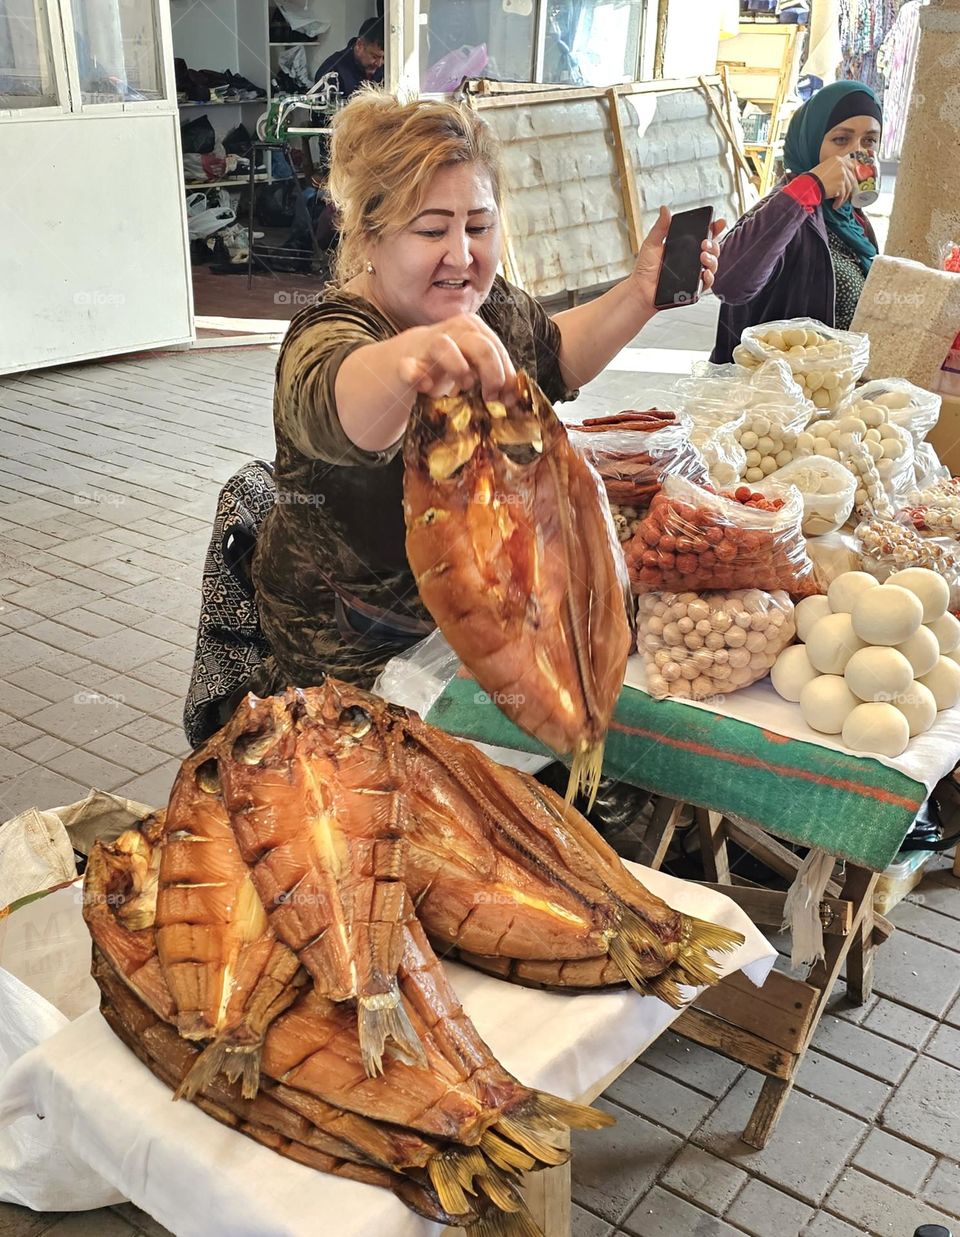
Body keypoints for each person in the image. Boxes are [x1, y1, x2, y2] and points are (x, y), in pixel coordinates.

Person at [252, 90, 722, 691]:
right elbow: (338, 405)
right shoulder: (330, 332)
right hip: (360, 655)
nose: (461, 254)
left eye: (479, 226)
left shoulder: (486, 304)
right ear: (369, 237)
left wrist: (640, 294)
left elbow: (555, 355)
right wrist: (411, 361)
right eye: (431, 230)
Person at [710, 80, 882, 364]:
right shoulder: (786, 208)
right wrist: (812, 186)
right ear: (811, 142)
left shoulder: (852, 219)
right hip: (773, 387)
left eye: (869, 141)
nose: (856, 154)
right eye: (841, 140)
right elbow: (729, 283)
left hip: (830, 383)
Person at [274, 18, 386, 270]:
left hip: (374, 152)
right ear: (359, 45)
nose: (378, 64)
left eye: (382, 59)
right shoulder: (331, 72)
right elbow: (325, 130)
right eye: (374, 56)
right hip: (340, 156)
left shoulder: (383, 68)